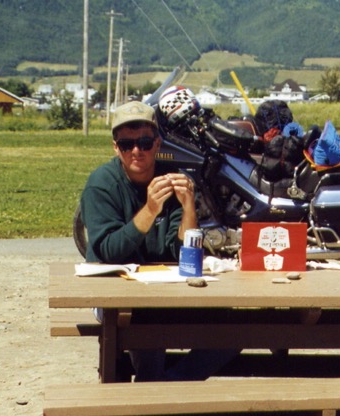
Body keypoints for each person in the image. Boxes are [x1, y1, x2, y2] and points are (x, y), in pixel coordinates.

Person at [80, 101, 239, 381]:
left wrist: (189, 206)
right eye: (127, 144)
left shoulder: (171, 177)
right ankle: (149, 395)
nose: (137, 151)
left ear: (157, 143)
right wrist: (150, 210)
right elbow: (108, 252)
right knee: (146, 320)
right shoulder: (102, 184)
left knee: (234, 326)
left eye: (144, 142)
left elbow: (183, 254)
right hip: (114, 291)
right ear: (115, 147)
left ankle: (165, 387)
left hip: (163, 289)